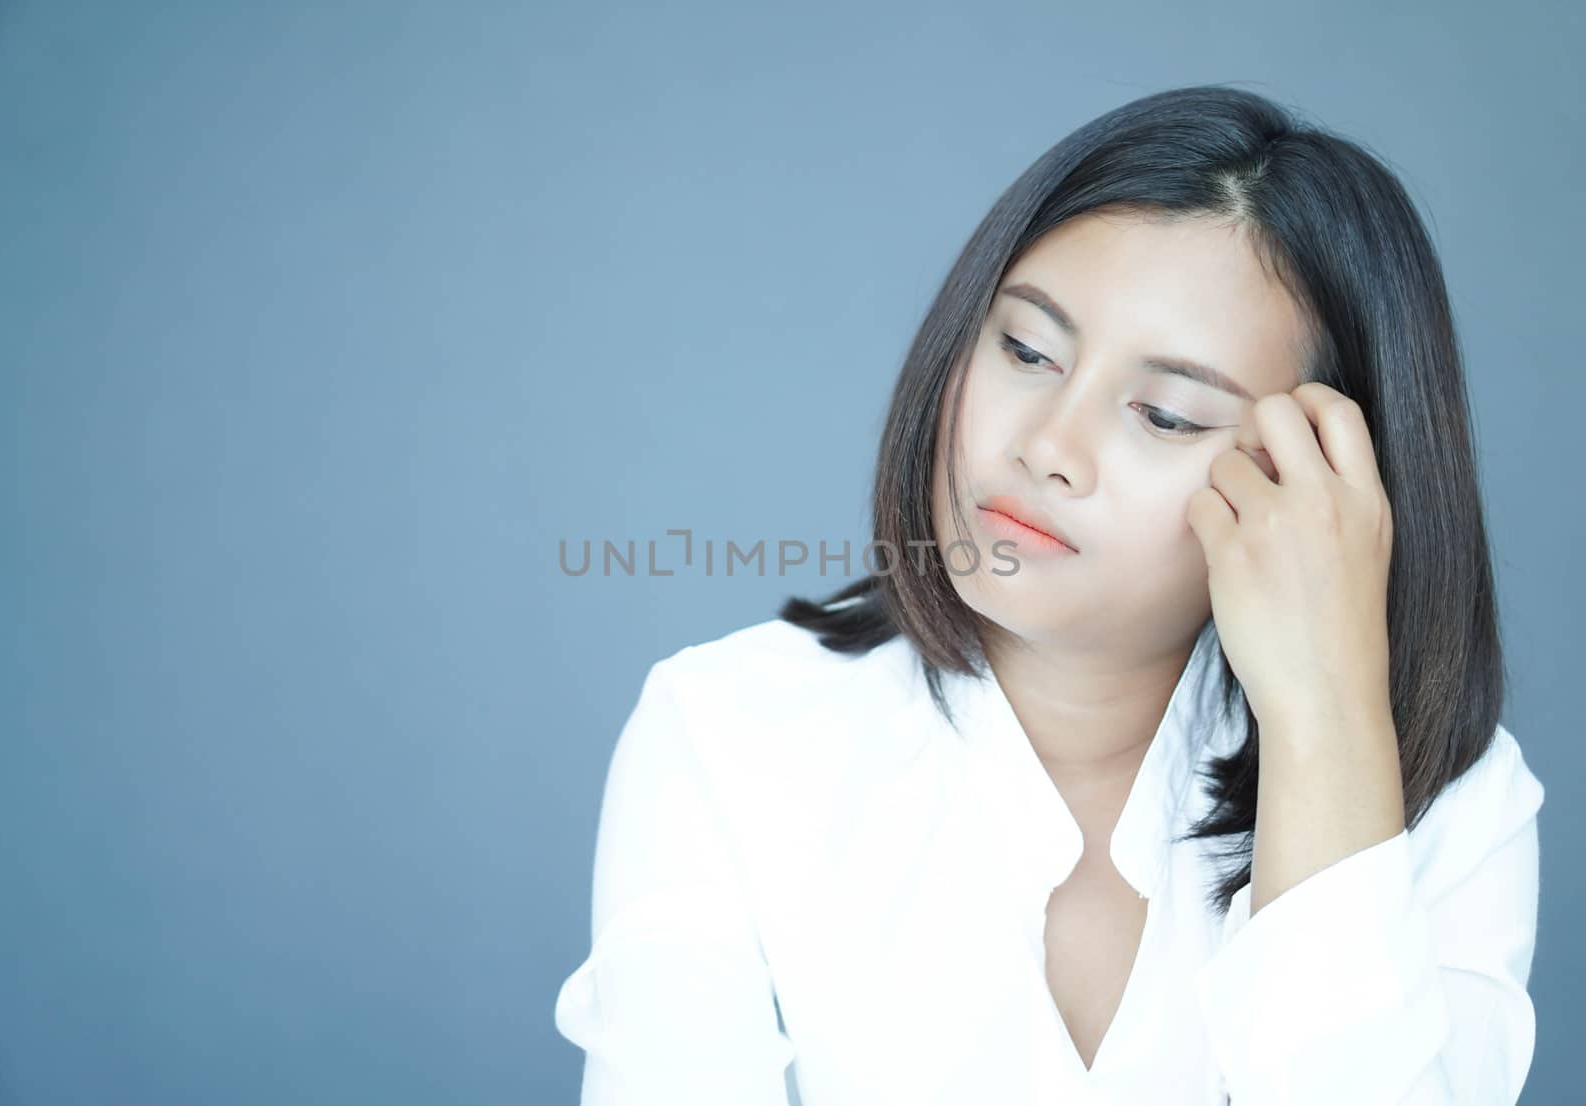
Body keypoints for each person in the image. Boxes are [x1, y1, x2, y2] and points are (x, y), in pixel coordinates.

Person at [552, 83, 1545, 1105]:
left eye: (1163, 414)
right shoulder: (726, 730)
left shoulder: (1454, 803)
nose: (1047, 446)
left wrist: (1326, 726)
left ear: (1323, 483)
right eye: (1026, 350)